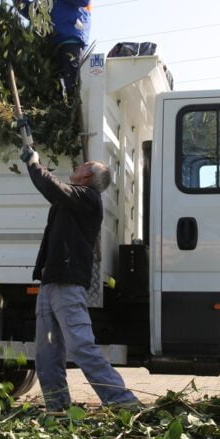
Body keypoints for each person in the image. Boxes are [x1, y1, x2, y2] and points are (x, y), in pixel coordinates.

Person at [20, 145, 139, 412]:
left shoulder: (88, 198)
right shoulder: (74, 199)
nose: (77, 167)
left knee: (80, 345)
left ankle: (124, 403)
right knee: (47, 353)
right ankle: (57, 408)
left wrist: (35, 164)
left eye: (82, 166)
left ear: (88, 176)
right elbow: (55, 191)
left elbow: (54, 189)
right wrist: (33, 162)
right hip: (50, 281)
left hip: (67, 283)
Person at [5, 0, 92, 101]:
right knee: (52, 90)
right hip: (52, 42)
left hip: (71, 41)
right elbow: (35, 13)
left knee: (73, 87)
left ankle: (75, 113)